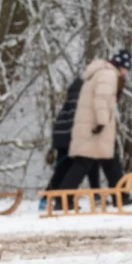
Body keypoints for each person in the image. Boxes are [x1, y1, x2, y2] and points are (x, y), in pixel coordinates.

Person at [57, 49, 132, 199]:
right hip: (95, 126)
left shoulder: (100, 72)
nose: (126, 72)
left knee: (109, 160)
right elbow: (101, 99)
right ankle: (63, 199)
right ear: (120, 65)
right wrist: (102, 122)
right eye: (126, 68)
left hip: (89, 124)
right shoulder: (108, 74)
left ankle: (121, 196)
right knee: (84, 162)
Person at [40, 74, 101, 209]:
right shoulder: (80, 94)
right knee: (70, 167)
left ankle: (48, 199)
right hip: (69, 137)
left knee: (66, 168)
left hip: (64, 136)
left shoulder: (77, 92)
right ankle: (50, 199)